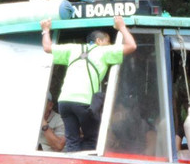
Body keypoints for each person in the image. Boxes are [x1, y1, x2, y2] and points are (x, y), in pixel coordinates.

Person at [41, 14, 137, 151]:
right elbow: (131, 46)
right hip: (84, 102)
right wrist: (122, 27)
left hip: (64, 102)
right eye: (108, 41)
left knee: (72, 141)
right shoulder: (103, 51)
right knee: (92, 139)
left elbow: (47, 47)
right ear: (99, 40)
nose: (109, 45)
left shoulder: (73, 49)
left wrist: (45, 29)